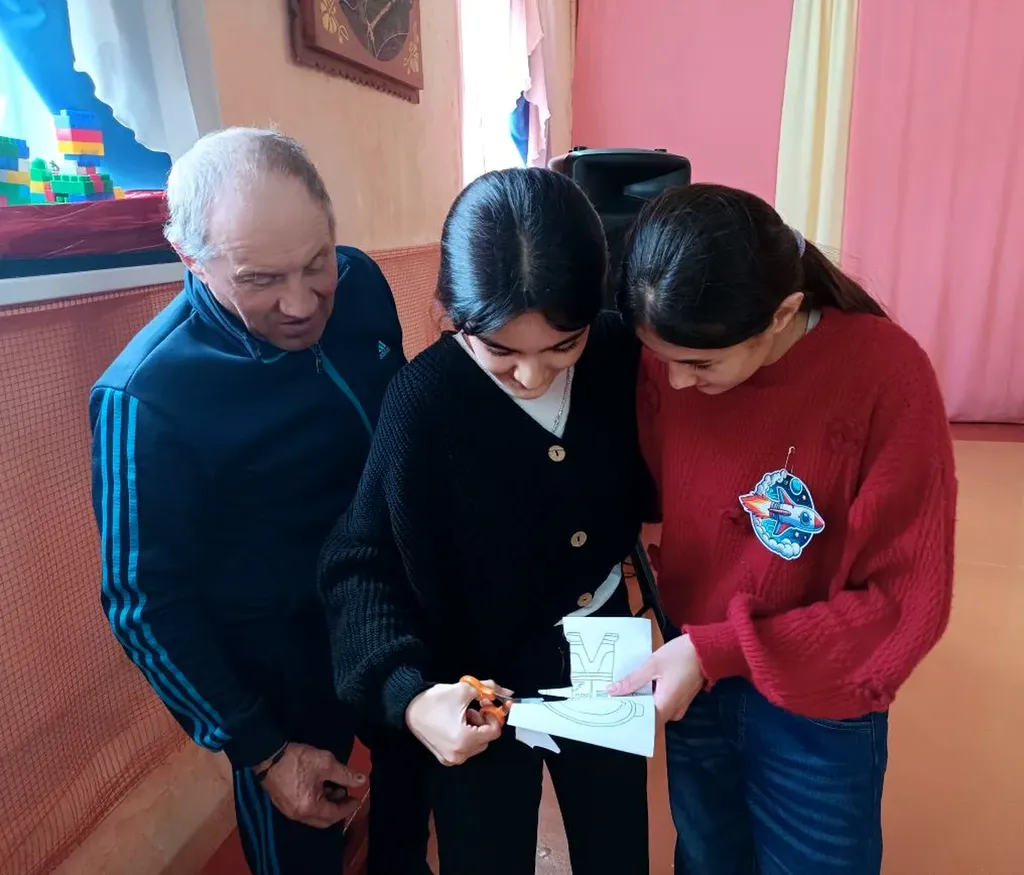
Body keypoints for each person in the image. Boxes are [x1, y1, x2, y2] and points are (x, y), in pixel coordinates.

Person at [89, 128, 430, 875]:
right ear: (190, 258)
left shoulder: (361, 283)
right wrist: (262, 750)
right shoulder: (146, 396)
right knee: (300, 851)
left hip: (391, 610)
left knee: (411, 810)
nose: (302, 303)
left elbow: (403, 432)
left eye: (316, 263)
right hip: (280, 669)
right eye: (261, 279)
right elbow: (143, 601)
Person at [609, 183, 957, 875]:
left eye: (701, 364)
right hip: (695, 676)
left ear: (783, 313)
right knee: (707, 857)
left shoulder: (886, 376)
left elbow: (904, 605)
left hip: (817, 704)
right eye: (661, 357)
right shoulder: (671, 357)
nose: (675, 384)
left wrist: (721, 649)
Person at [317, 167, 654, 875]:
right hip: (474, 674)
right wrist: (412, 699)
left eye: (563, 345)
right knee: (485, 849)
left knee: (617, 839)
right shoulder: (423, 401)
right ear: (451, 311)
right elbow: (359, 562)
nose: (533, 375)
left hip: (602, 642)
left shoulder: (620, 353)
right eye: (501, 352)